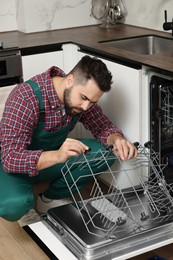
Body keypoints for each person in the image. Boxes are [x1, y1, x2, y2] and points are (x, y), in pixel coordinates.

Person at [0, 55, 137, 221]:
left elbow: (102, 126)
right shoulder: (25, 97)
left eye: (92, 102)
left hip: (51, 160)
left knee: (106, 154)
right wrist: (57, 155)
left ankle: (50, 199)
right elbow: (10, 158)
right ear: (70, 80)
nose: (86, 107)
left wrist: (116, 139)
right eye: (84, 98)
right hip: (15, 165)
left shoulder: (81, 99)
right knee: (14, 206)